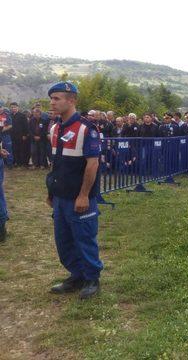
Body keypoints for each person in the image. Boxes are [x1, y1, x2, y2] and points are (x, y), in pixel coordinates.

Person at [46, 81, 102, 299]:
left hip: (79, 198)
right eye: (51, 98)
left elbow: (92, 164)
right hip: (60, 196)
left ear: (71, 100)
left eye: (57, 98)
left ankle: (91, 279)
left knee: (84, 238)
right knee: (64, 240)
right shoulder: (55, 128)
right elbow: (56, 163)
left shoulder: (87, 129)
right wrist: (51, 191)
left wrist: (84, 195)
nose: (52, 102)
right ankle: (76, 275)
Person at [10, 103, 30, 167]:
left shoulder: (22, 115)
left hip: (21, 135)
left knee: (21, 149)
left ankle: (22, 163)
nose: (13, 108)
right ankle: (16, 162)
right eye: (12, 107)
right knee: (14, 149)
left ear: (18, 107)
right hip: (12, 136)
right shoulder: (10, 116)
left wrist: (25, 135)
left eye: (15, 107)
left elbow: (26, 126)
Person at [0, 102, 14, 167]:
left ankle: (10, 164)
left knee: (8, 149)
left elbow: (10, 125)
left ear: (2, 107)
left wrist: (2, 129)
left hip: (5, 135)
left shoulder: (6, 115)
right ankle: (3, 163)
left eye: (0, 107)